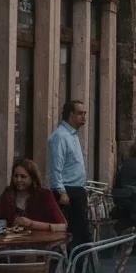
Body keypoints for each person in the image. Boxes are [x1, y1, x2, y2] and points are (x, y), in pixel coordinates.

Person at [48, 99, 91, 246]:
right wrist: (61, 192)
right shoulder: (60, 136)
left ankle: (80, 265)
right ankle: (74, 265)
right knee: (76, 233)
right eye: (80, 113)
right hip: (68, 191)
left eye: (85, 113)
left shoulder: (73, 135)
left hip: (77, 189)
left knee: (82, 233)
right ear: (70, 115)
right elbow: (56, 167)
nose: (84, 116)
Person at [0, 158, 67, 233]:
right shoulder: (7, 194)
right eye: (16, 176)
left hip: (40, 242)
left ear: (33, 178)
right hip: (13, 242)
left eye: (23, 176)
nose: (18, 180)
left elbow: (63, 226)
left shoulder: (44, 195)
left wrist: (31, 224)